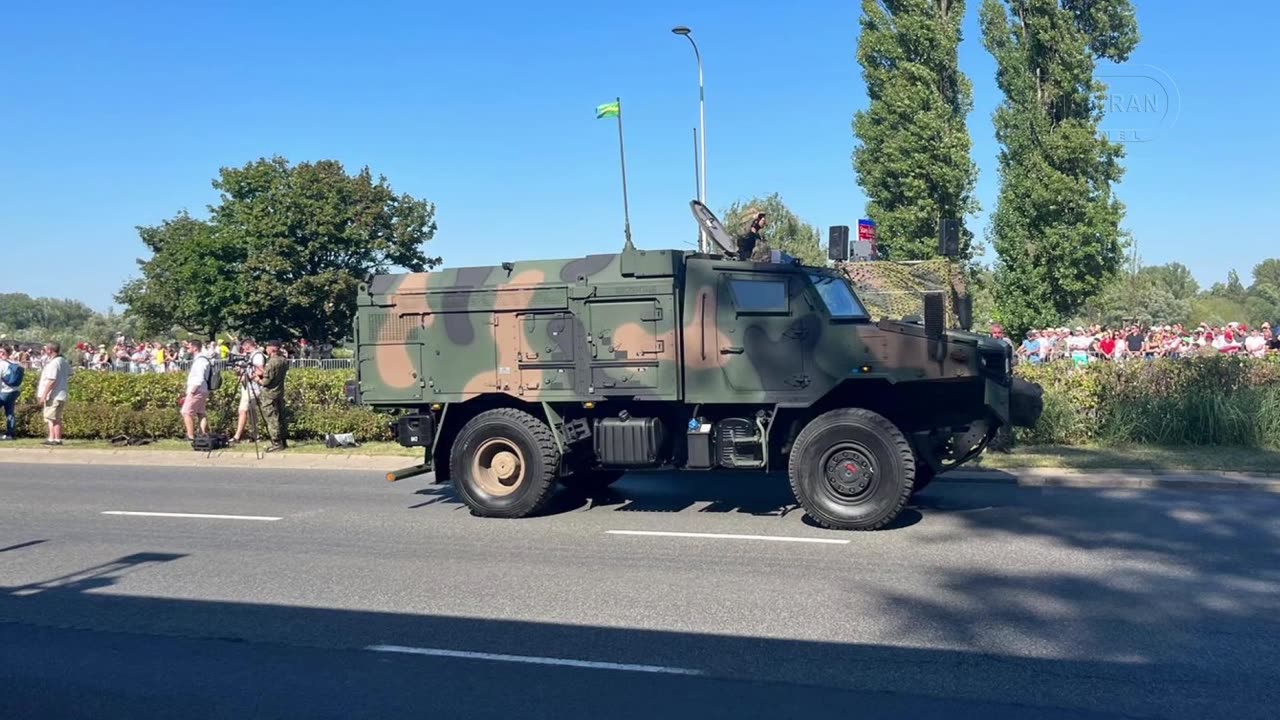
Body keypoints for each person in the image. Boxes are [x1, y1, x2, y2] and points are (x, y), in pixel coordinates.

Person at [231, 337, 267, 443]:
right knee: (252, 412)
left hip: (253, 387)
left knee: (243, 410)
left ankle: (237, 436)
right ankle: (256, 435)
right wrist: (239, 372)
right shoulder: (250, 356)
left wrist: (247, 377)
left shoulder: (257, 356)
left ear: (247, 346)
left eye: (243, 347)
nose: (242, 349)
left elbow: (260, 371)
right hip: (247, 386)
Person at [36, 342, 71, 446]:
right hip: (61, 393)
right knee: (54, 418)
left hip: (54, 394)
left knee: (52, 418)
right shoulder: (63, 361)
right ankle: (55, 438)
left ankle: (54, 439)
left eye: (46, 349)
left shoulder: (54, 363)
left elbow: (52, 380)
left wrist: (44, 394)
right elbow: (70, 373)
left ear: (49, 350)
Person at [257, 339, 289, 452]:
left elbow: (266, 382)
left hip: (269, 395)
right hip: (279, 392)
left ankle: (276, 443)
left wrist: (256, 378)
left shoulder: (271, 362)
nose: (266, 349)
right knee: (281, 418)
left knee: (272, 419)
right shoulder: (283, 360)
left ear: (273, 349)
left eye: (268, 347)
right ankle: (284, 441)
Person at [182, 340, 213, 440]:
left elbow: (199, 378)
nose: (187, 349)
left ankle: (190, 436)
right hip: (203, 389)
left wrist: (192, 392)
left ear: (195, 348)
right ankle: (203, 434)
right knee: (200, 412)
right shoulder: (202, 359)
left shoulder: (200, 360)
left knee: (186, 412)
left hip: (197, 389)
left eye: (189, 347)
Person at [0, 346, 21, 440]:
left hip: (4, 391)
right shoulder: (16, 363)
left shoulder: (1, 364)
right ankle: (10, 434)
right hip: (15, 391)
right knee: (10, 413)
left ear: (3, 353)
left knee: (9, 413)